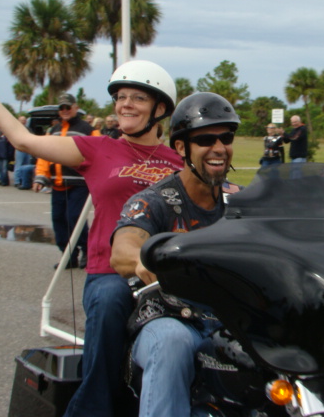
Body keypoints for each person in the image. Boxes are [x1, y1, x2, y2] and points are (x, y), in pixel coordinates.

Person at [0, 59, 183, 417]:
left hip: (163, 274)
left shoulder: (177, 162)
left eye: (137, 98)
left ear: (160, 108)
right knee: (108, 305)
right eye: (120, 97)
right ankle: (91, 410)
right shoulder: (96, 148)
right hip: (111, 271)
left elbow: (218, 195)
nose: (125, 105)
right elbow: (22, 139)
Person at [110, 92, 241, 417]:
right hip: (171, 318)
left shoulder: (242, 203)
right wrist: (143, 260)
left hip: (233, 320)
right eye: (206, 140)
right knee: (172, 343)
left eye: (225, 137)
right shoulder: (155, 201)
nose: (219, 148)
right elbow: (123, 248)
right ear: (181, 148)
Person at [33, 94, 93, 269]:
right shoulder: (53, 130)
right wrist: (40, 177)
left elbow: (98, 154)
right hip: (58, 184)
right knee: (58, 220)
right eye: (62, 108)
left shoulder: (87, 129)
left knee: (75, 217)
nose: (65, 111)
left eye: (68, 107)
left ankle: (87, 250)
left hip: (79, 183)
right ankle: (68, 255)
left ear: (75, 107)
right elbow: (44, 155)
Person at [13, 115, 32, 188]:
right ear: (18, 121)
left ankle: (24, 181)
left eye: (24, 120)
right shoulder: (15, 130)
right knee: (19, 165)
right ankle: (17, 181)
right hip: (19, 150)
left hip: (27, 149)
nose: (23, 121)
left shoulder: (28, 129)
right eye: (22, 120)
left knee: (26, 166)